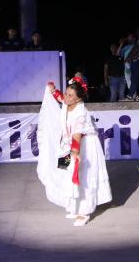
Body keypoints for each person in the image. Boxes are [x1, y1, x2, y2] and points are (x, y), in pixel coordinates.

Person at [37, 76, 112, 226]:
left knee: (80, 176)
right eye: (66, 93)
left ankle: (84, 211)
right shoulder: (67, 102)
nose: (66, 96)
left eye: (70, 95)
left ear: (78, 99)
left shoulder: (81, 112)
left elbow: (77, 135)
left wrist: (75, 153)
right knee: (64, 172)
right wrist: (53, 91)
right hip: (67, 145)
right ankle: (73, 206)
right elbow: (60, 98)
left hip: (82, 146)